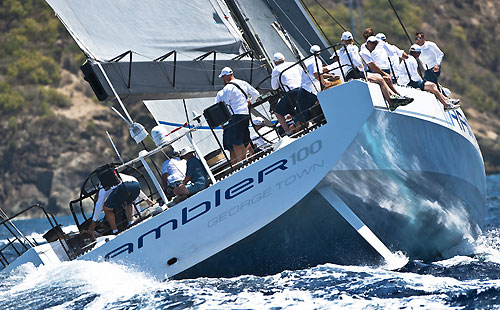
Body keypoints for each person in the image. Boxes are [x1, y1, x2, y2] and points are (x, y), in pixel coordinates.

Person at [216, 67, 260, 164]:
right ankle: (243, 160)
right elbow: (256, 94)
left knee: (235, 142)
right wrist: (249, 101)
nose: (223, 79)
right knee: (244, 140)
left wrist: (223, 122)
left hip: (235, 116)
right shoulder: (243, 83)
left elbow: (225, 106)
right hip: (245, 114)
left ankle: (240, 163)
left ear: (226, 76)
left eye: (223, 77)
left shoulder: (227, 89)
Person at [88, 173, 153, 235]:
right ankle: (131, 222)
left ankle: (115, 231)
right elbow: (130, 186)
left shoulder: (103, 186)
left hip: (122, 188)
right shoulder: (120, 175)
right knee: (128, 202)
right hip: (136, 185)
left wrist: (93, 221)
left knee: (106, 209)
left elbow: (99, 205)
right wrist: (147, 200)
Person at [360, 36, 413, 111]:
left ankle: (397, 96)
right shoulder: (364, 52)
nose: (374, 45)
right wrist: (384, 74)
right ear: (367, 43)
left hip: (367, 73)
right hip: (363, 74)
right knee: (382, 79)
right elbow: (373, 67)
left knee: (387, 79)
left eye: (376, 44)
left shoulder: (368, 51)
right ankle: (391, 103)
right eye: (372, 43)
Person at [401, 44, 460, 111]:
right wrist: (422, 81)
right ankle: (446, 105)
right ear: (417, 53)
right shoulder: (412, 61)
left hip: (408, 81)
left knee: (432, 85)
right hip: (409, 83)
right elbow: (414, 76)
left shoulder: (408, 59)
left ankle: (446, 100)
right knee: (432, 86)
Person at [297, 45, 333, 128]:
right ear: (319, 54)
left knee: (302, 116)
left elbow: (315, 74)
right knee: (308, 114)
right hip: (311, 91)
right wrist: (324, 83)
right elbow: (316, 74)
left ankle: (302, 131)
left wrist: (328, 76)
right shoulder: (317, 61)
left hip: (304, 90)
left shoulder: (306, 60)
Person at [271, 52, 303, 135]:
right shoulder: (293, 64)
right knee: (295, 108)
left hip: (291, 92)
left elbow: (274, 87)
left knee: (278, 113)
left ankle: (288, 132)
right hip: (303, 89)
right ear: (284, 59)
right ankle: (303, 123)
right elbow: (303, 75)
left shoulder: (276, 70)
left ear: (274, 62)